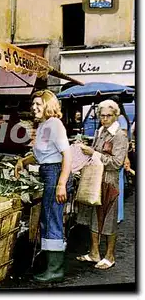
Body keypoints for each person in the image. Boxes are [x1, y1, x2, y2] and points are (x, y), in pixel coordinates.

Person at [14, 90, 72, 283]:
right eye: (33, 104)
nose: (34, 108)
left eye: (39, 104)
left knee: (52, 220)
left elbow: (67, 155)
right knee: (47, 219)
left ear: (49, 105)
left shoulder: (54, 125)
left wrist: (61, 183)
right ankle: (50, 265)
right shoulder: (43, 126)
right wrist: (23, 161)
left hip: (55, 174)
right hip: (49, 173)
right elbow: (41, 156)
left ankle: (55, 270)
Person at [76, 100, 129, 270]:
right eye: (102, 115)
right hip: (96, 179)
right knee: (94, 215)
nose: (104, 119)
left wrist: (94, 153)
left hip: (109, 181)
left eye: (108, 116)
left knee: (108, 218)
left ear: (116, 116)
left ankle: (110, 256)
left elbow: (117, 163)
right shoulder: (101, 131)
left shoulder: (119, 135)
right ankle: (94, 253)